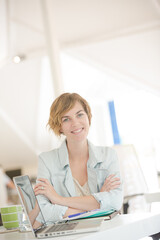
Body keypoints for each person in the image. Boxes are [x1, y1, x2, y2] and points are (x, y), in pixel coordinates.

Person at [34, 93, 123, 224]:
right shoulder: (46, 160)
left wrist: (58, 199)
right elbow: (45, 211)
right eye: (66, 119)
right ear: (59, 127)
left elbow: (115, 202)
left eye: (80, 114)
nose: (75, 123)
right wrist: (97, 204)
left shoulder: (108, 155)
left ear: (88, 117)